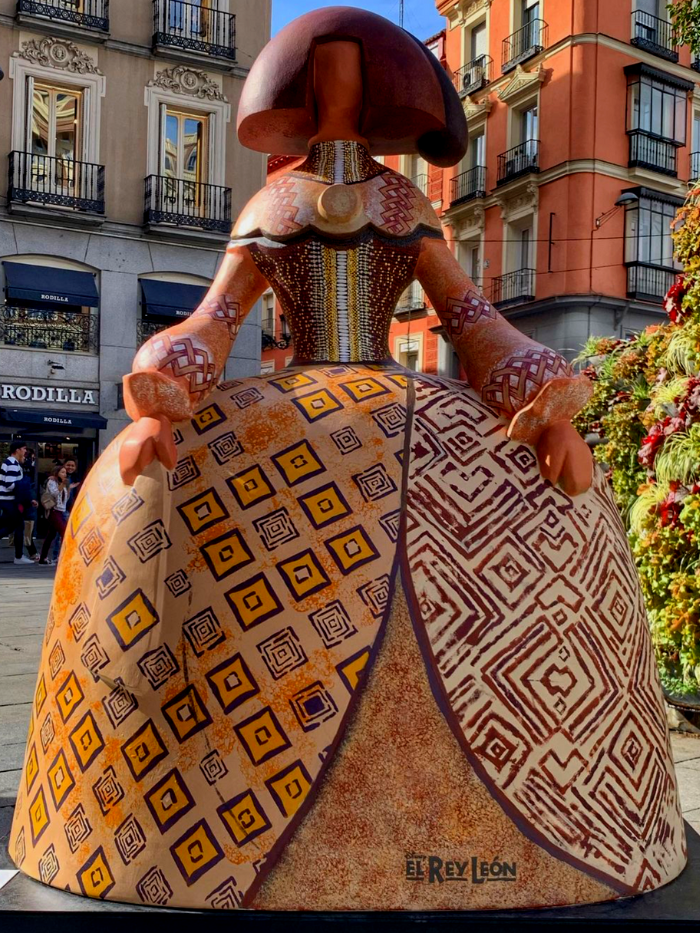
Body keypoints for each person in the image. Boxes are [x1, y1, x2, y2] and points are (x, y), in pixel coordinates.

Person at [10, 9, 685, 912]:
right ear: (295, 92)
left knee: (553, 509)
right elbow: (218, 314)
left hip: (407, 403)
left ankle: (541, 823)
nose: (339, 95)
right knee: (133, 504)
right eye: (323, 76)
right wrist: (162, 398)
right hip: (283, 409)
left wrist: (545, 404)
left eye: (355, 79)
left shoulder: (404, 207)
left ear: (385, 97)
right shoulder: (272, 204)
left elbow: (470, 319)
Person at [0, 440, 34, 565]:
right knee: (18, 526)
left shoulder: (9, 462)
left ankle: (19, 556)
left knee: (9, 526)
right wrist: (23, 485)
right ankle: (18, 557)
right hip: (9, 501)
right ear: (18, 450)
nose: (25, 452)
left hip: (6, 500)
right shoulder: (13, 464)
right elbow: (9, 485)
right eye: (24, 449)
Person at [38, 465, 69, 565]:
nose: (65, 474)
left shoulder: (62, 484)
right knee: (64, 532)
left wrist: (67, 488)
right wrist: (62, 485)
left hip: (60, 511)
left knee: (51, 535)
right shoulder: (52, 482)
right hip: (53, 510)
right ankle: (64, 556)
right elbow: (54, 494)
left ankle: (43, 558)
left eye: (65, 472)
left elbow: (64, 500)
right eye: (62, 472)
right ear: (57, 473)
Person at [50, 458, 80, 561]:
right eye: (68, 465)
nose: (70, 467)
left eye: (72, 465)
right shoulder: (57, 479)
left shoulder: (77, 479)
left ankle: (64, 555)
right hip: (61, 509)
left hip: (73, 508)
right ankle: (58, 556)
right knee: (61, 533)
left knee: (63, 533)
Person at [14, 449, 39, 561]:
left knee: (24, 527)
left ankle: (27, 552)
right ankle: (28, 552)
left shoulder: (22, 467)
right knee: (24, 527)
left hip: (26, 497)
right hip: (24, 499)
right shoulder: (17, 467)